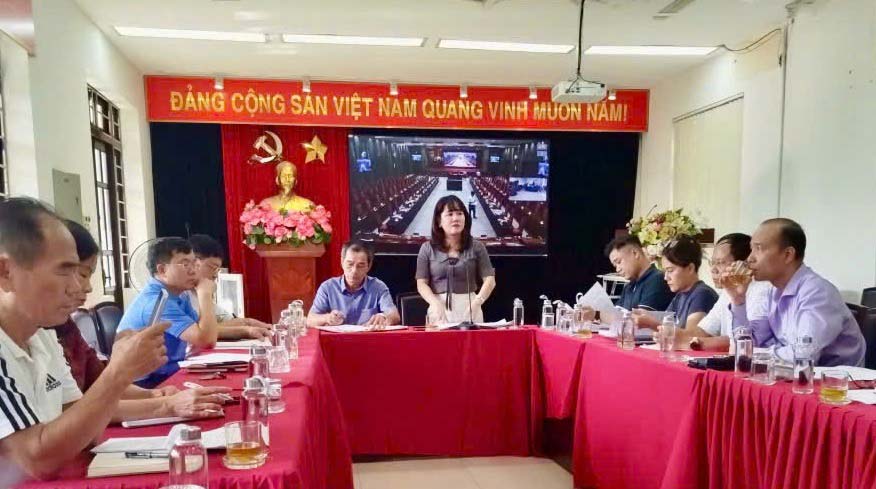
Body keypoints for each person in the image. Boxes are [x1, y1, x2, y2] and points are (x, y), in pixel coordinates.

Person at [0, 198, 166, 479]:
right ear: (6, 272)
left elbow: (83, 429)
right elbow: (37, 460)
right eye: (64, 270)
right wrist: (119, 372)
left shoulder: (43, 337)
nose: (78, 286)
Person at [52, 221, 228, 420]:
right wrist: (164, 404)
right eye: (82, 274)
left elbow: (96, 385)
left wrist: (154, 396)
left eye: (194, 264)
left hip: (148, 385)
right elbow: (73, 413)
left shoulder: (62, 329)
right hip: (150, 378)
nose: (86, 288)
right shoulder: (156, 300)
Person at [726, 218, 865, 366]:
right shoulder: (773, 291)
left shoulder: (818, 292)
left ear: (788, 255)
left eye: (758, 248)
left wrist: (748, 354)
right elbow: (751, 343)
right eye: (751, 249)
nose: (749, 258)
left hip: (838, 378)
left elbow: (803, 355)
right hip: (790, 375)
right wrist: (738, 300)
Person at [117, 238, 220, 388]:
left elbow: (202, 328)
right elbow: (206, 340)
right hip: (144, 384)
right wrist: (205, 294)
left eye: (194, 263)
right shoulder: (157, 301)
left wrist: (246, 329)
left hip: (167, 372)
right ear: (162, 270)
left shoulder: (178, 294)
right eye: (185, 264)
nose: (193, 271)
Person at [681, 233, 772, 351]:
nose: (713, 269)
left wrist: (692, 343)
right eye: (712, 262)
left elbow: (752, 341)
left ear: (742, 264)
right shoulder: (727, 291)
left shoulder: (762, 289)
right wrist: (672, 334)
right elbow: (703, 331)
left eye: (720, 262)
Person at [416, 195, 496, 324]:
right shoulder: (427, 248)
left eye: (460, 213)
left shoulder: (477, 246)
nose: (456, 218)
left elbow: (490, 280)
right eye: (450, 214)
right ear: (439, 221)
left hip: (470, 307)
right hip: (438, 308)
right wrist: (434, 303)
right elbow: (421, 283)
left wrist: (477, 302)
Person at [187, 234, 271, 340]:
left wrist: (248, 323)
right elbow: (200, 333)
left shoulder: (196, 291)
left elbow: (228, 321)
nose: (215, 275)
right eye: (213, 268)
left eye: (218, 270)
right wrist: (246, 330)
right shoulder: (176, 293)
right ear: (195, 263)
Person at [307, 241, 400, 327]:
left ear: (369, 266)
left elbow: (394, 316)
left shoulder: (378, 287)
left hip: (367, 338)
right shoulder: (328, 287)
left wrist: (384, 317)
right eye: (350, 264)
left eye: (360, 266)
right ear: (342, 262)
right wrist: (327, 318)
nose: (354, 271)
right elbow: (310, 320)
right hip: (338, 338)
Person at [634, 236, 718, 330]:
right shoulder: (680, 295)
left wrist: (651, 324)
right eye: (665, 271)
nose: (666, 277)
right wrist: (647, 317)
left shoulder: (702, 294)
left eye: (670, 270)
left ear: (690, 268)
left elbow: (690, 336)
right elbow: (667, 326)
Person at [605, 235, 675, 311]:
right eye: (615, 266)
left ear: (635, 253)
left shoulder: (657, 279)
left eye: (619, 262)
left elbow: (641, 316)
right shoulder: (629, 286)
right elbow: (615, 312)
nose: (617, 269)